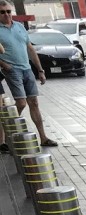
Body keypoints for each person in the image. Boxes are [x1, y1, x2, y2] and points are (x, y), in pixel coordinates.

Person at [0, 1, 56, 151]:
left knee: (34, 103)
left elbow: (30, 49)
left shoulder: (19, 26)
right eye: (2, 12)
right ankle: (6, 131)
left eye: (8, 11)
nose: (6, 14)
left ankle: (43, 137)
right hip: (12, 70)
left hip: (26, 69)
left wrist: (40, 70)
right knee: (21, 103)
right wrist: (4, 65)